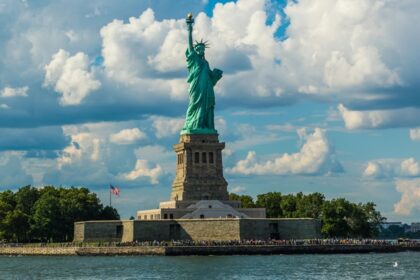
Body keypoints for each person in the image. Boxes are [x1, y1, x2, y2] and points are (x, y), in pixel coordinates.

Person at [181, 13, 223, 135]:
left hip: (207, 89)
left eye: (202, 49)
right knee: (194, 104)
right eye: (198, 48)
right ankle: (191, 125)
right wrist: (189, 29)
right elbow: (189, 45)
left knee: (206, 107)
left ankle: (204, 125)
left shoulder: (206, 63)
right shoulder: (194, 58)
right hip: (196, 87)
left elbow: (211, 77)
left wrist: (216, 75)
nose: (201, 50)